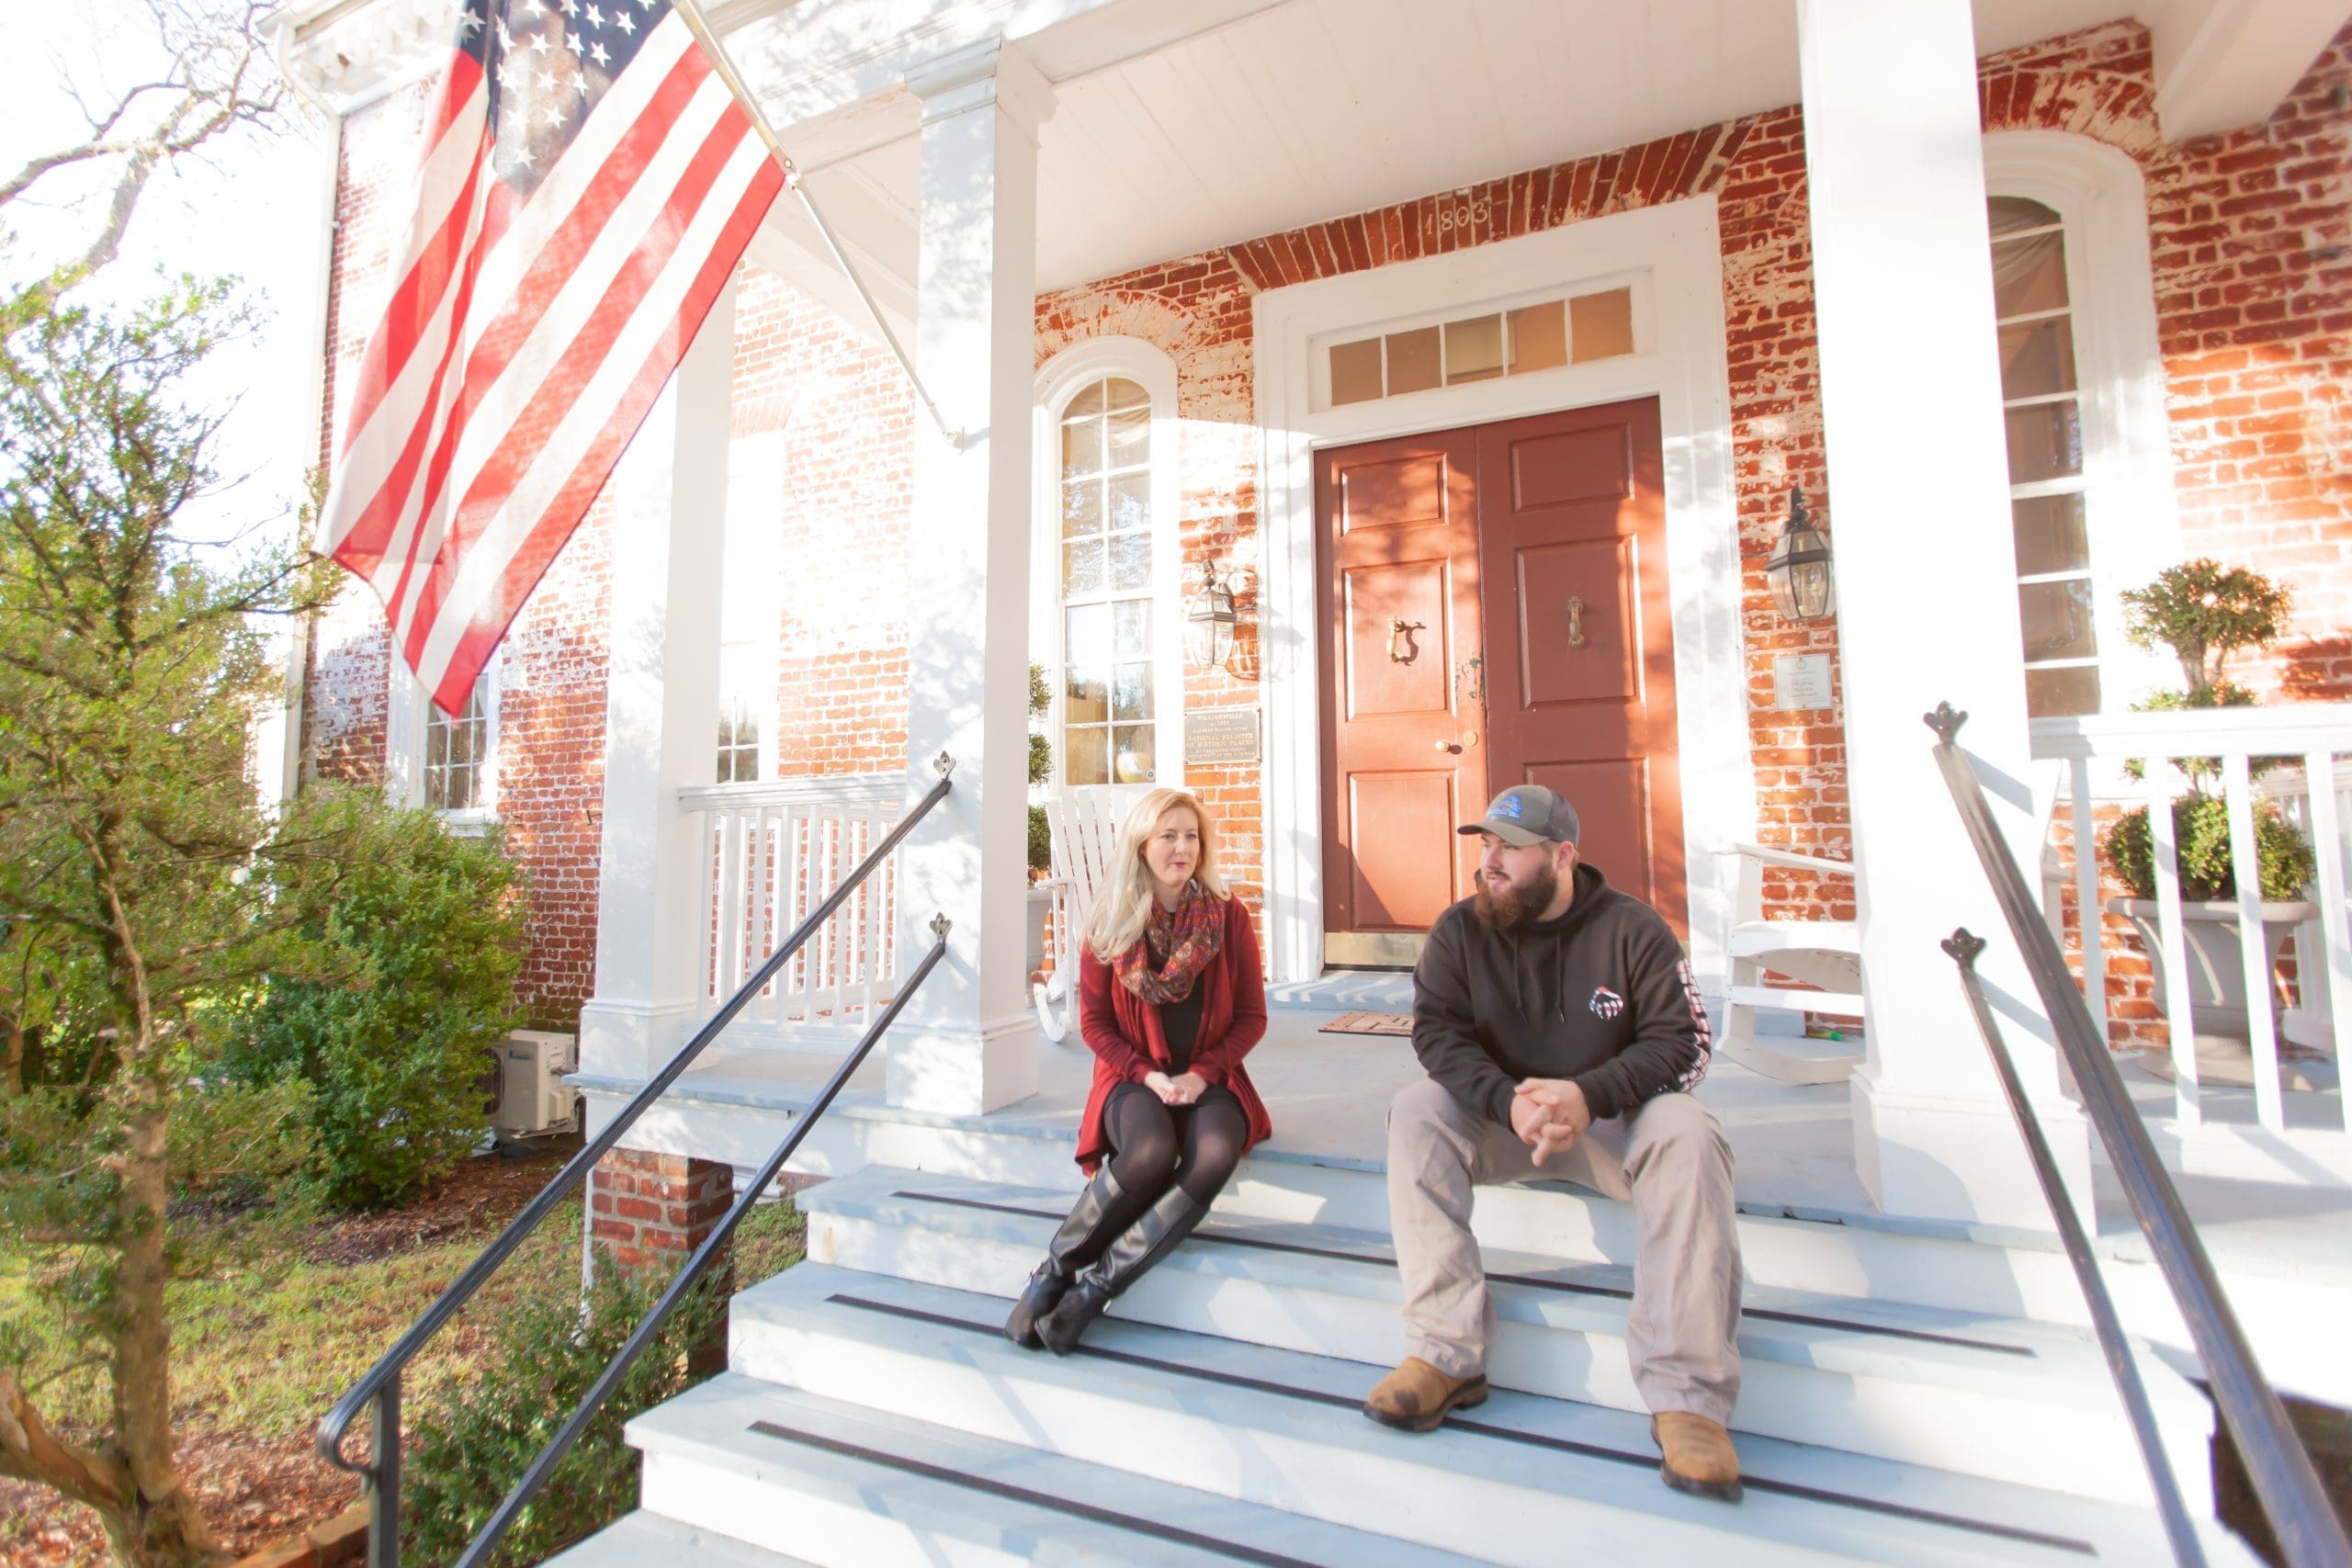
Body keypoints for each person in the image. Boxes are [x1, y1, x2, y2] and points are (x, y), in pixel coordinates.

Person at [1366, 785, 1746, 1502]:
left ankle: (1688, 1399)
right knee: (1417, 1111)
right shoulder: (1458, 931)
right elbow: (1437, 1036)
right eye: (1486, 844)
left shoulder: (1634, 930)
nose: (1490, 861)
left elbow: (1685, 1043)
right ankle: (1446, 1352)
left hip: (1610, 1124)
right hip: (1510, 1122)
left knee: (1689, 1130)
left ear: (1563, 855)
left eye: (1509, 846)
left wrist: (1589, 1093)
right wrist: (1507, 1102)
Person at [1003, 785, 1272, 1355]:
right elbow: (1096, 1026)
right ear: (1142, 847)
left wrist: (1201, 1074)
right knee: (1149, 1152)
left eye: (1191, 835)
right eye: (1168, 836)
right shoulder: (1110, 925)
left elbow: (1251, 1018)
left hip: (1209, 1078)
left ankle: (1092, 1291)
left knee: (1216, 1152)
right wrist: (1148, 1075)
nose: (1183, 847)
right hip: (1133, 1079)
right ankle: (1053, 1273)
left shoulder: (1228, 918)